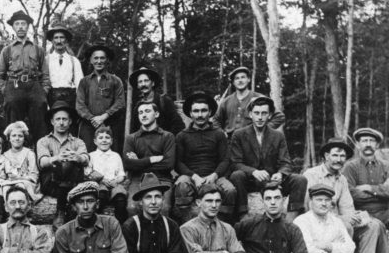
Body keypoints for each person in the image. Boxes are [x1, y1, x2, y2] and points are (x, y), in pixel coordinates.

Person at [304, 137, 389, 253]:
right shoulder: (311, 175)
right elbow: (309, 208)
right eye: (335, 155)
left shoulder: (341, 179)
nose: (339, 159)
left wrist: (354, 216)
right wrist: (343, 219)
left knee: (373, 224)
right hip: (319, 225)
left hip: (339, 221)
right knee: (346, 226)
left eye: (342, 156)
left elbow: (347, 207)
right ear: (326, 156)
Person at [229, 96, 306, 222]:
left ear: (269, 115)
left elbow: (286, 162)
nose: (260, 117)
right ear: (250, 114)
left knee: (300, 180)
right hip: (250, 181)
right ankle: (243, 217)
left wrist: (281, 174)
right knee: (237, 175)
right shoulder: (239, 134)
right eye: (256, 113)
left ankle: (292, 220)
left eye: (264, 113)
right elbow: (235, 163)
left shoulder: (277, 135)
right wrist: (253, 171)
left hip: (272, 180)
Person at [174, 91, 236, 224]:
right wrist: (193, 176)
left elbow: (225, 160)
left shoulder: (218, 134)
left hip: (214, 176)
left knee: (230, 190)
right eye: (196, 111)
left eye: (203, 111)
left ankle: (222, 227)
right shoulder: (182, 136)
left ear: (210, 112)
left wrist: (215, 175)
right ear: (190, 114)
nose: (200, 115)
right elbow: (178, 163)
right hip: (191, 177)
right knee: (182, 185)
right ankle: (187, 226)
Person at [0, 10, 50, 145]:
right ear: (13, 27)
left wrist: (44, 91)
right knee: (13, 125)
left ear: (28, 26)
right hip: (14, 86)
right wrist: (6, 90)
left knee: (40, 124)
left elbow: (45, 74)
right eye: (17, 24)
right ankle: (11, 157)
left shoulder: (38, 49)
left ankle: (40, 157)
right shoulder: (7, 50)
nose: (20, 27)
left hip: (34, 86)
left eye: (23, 24)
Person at [36, 101, 89, 228]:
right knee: (61, 165)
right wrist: (56, 158)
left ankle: (60, 212)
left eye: (64, 119)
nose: (61, 122)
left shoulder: (78, 142)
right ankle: (64, 210)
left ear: (70, 121)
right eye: (58, 119)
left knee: (70, 164)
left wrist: (78, 157)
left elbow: (86, 159)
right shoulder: (44, 141)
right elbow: (42, 163)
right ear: (52, 122)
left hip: (73, 183)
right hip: (51, 183)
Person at [123, 102, 175, 216]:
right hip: (138, 179)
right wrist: (151, 159)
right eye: (140, 113)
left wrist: (138, 162)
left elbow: (168, 164)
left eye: (147, 111)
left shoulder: (167, 136)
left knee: (164, 208)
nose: (143, 115)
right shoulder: (131, 138)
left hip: (162, 178)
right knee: (132, 207)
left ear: (156, 114)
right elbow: (128, 164)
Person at [76, 44, 125, 152]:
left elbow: (120, 102)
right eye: (96, 58)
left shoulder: (115, 80)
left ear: (107, 60)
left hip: (110, 125)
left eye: (102, 58)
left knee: (112, 156)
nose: (99, 61)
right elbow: (80, 105)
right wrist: (92, 119)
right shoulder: (84, 82)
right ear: (91, 60)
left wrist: (104, 116)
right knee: (88, 156)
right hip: (88, 126)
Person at [213, 66, 284, 137]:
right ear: (233, 82)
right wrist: (221, 133)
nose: (240, 80)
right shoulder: (226, 101)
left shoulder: (259, 98)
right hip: (230, 142)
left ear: (248, 79)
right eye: (237, 78)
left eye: (243, 77)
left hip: (251, 142)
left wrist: (264, 130)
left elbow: (279, 116)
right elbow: (216, 120)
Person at [343, 128, 389, 228]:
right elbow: (351, 194)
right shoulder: (350, 167)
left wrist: (370, 188)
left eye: (371, 141)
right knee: (374, 226)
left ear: (377, 145)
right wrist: (381, 193)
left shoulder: (386, 166)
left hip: (386, 212)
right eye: (364, 141)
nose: (368, 144)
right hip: (362, 213)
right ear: (358, 145)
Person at [85, 126, 128, 223]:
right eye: (101, 138)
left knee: (121, 198)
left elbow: (121, 174)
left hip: (114, 184)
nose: (104, 140)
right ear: (95, 141)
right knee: (101, 197)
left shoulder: (116, 156)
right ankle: (97, 223)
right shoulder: (91, 156)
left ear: (111, 141)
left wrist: (116, 181)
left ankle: (120, 225)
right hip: (99, 184)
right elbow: (88, 173)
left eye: (107, 138)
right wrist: (101, 180)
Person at [129, 67, 185, 135]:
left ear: (152, 83)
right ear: (138, 86)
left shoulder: (164, 101)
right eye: (140, 82)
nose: (143, 84)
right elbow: (134, 130)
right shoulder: (138, 106)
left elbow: (179, 125)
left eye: (146, 80)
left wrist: (166, 139)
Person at [45, 22, 83, 108]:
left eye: (62, 37)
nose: (59, 41)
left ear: (66, 40)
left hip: (70, 99)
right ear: (52, 40)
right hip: (51, 98)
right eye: (56, 38)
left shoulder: (74, 60)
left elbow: (80, 85)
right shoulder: (46, 60)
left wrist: (79, 104)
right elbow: (43, 84)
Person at [2, 121, 42, 202]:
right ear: (9, 138)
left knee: (20, 186)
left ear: (24, 139)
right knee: (5, 188)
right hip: (10, 182)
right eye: (13, 136)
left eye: (20, 136)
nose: (17, 138)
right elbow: (4, 174)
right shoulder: (5, 155)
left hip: (27, 183)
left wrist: (21, 178)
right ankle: (7, 209)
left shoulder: (29, 153)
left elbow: (34, 174)